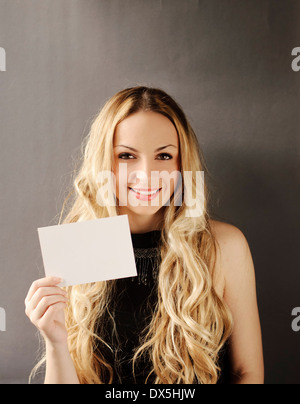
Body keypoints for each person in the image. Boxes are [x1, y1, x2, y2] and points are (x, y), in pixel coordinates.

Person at [25, 86, 264, 384]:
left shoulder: (223, 246)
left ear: (182, 164)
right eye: (126, 155)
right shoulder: (77, 249)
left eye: (164, 155)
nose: (148, 174)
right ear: (105, 163)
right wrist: (55, 342)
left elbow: (247, 373)